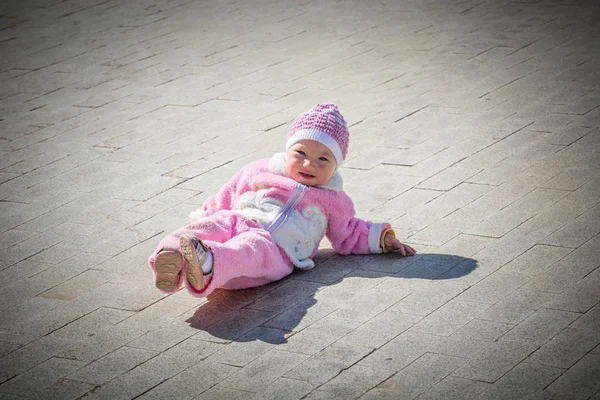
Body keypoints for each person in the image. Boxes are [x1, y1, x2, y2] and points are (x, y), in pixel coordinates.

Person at [148, 103, 416, 297]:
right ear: (287, 150)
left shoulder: (334, 199)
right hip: (240, 218)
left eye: (323, 158)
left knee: (251, 246)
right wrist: (207, 215)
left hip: (276, 251)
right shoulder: (260, 169)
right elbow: (226, 195)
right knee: (214, 224)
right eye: (301, 152)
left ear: (336, 166)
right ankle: (171, 255)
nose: (310, 163)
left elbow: (349, 232)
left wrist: (381, 238)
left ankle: (207, 263)